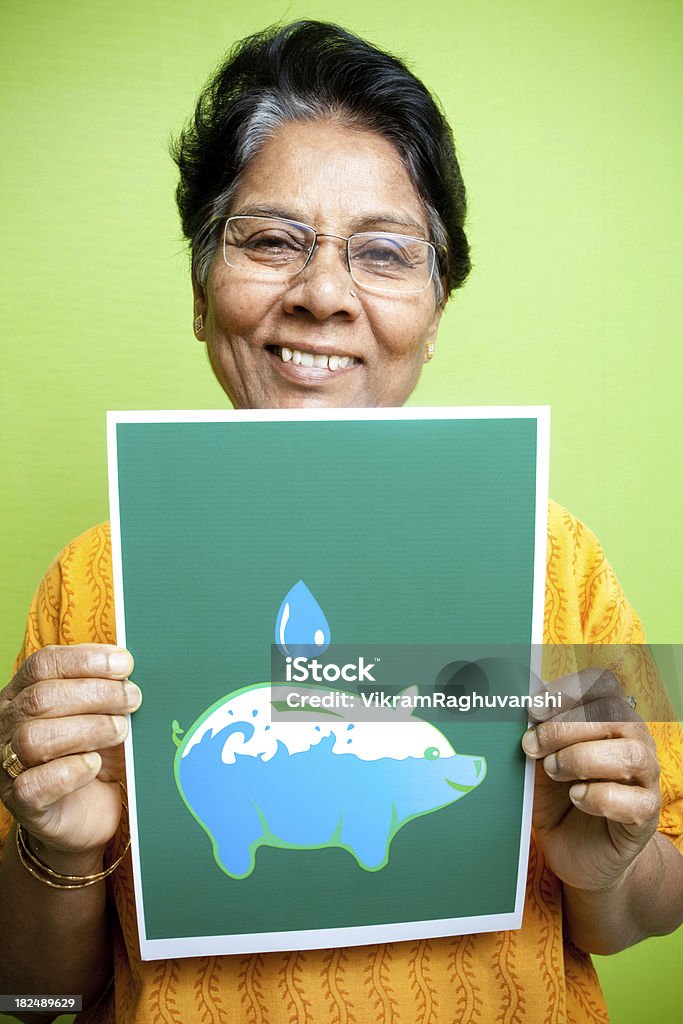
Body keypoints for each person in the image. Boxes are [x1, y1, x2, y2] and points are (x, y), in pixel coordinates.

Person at [0, 20, 681, 1024]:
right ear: (200, 290)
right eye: (271, 240)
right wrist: (54, 847)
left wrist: (609, 867)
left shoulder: (556, 558)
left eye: (383, 253)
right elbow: (35, 991)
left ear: (434, 311)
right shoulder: (91, 583)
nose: (322, 294)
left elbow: (639, 916)